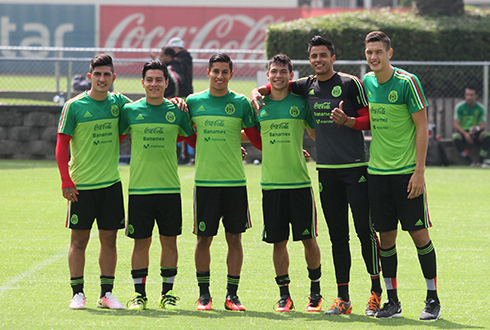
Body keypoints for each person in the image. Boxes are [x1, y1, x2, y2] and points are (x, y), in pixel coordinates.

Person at [251, 36, 381, 316]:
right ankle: (343, 298)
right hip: (327, 173)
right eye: (314, 56)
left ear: (333, 58)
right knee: (337, 237)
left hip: (355, 168)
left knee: (364, 232)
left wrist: (348, 122)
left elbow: (370, 119)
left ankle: (376, 293)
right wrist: (255, 92)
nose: (319, 60)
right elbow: (276, 85)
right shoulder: (305, 86)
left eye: (323, 55)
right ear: (309, 60)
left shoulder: (349, 83)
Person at [362, 30, 441, 320]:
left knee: (419, 235)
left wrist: (419, 171)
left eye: (378, 52)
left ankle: (432, 299)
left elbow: (422, 127)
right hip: (377, 175)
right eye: (369, 52)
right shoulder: (367, 83)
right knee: (386, 238)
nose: (373, 57)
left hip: (407, 174)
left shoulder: (408, 83)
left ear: (389, 53)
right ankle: (392, 302)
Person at [56, 54, 132, 310]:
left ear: (113, 78)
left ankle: (106, 293)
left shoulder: (119, 102)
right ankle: (77, 293)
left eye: (106, 75)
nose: (102, 79)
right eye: (97, 74)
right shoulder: (74, 106)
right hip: (81, 187)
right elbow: (61, 146)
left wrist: (175, 101)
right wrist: (66, 181)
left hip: (110, 186)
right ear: (89, 77)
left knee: (109, 240)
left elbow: (145, 110)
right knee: (79, 241)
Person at [186, 53, 261, 311]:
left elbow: (256, 138)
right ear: (207, 72)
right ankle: (204, 295)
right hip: (205, 183)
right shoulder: (193, 102)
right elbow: (186, 134)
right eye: (215, 71)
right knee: (203, 240)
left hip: (235, 183)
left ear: (232, 73)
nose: (219, 76)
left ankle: (232, 295)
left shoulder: (241, 103)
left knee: (235, 240)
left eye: (224, 72)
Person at [120, 60, 196, 310]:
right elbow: (114, 136)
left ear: (166, 83)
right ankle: (139, 295)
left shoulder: (177, 111)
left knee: (169, 242)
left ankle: (168, 294)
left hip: (169, 189)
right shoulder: (130, 111)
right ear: (142, 83)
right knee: (141, 242)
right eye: (149, 80)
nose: (154, 84)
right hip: (140, 189)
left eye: (158, 80)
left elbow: (192, 138)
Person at [256, 54, 322, 313]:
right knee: (278, 242)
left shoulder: (302, 104)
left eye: (283, 71)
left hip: (299, 184)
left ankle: (315, 292)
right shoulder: (259, 104)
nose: (279, 75)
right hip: (271, 186)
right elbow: (249, 134)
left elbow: (317, 134)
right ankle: (284, 295)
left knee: (308, 239)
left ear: (291, 76)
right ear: (268, 75)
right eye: (274, 71)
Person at [452, 86, 490, 167]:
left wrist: (476, 128)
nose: (469, 97)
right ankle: (470, 161)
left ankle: (480, 161)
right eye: (467, 95)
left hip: (476, 133)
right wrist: (465, 134)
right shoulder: (460, 107)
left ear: (476, 96)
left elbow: (482, 125)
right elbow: (456, 124)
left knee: (487, 136)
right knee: (456, 137)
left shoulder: (481, 108)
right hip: (463, 132)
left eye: (471, 95)